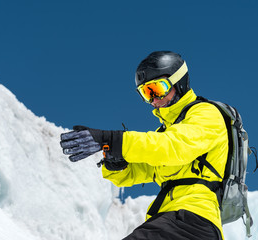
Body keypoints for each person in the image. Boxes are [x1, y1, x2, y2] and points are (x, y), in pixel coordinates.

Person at [60, 51, 228, 240]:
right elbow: (140, 169)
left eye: (158, 88)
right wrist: (117, 163)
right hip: (173, 220)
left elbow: (172, 146)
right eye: (146, 92)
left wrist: (113, 140)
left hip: (193, 220)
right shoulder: (165, 132)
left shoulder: (205, 114)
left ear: (179, 82)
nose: (154, 99)